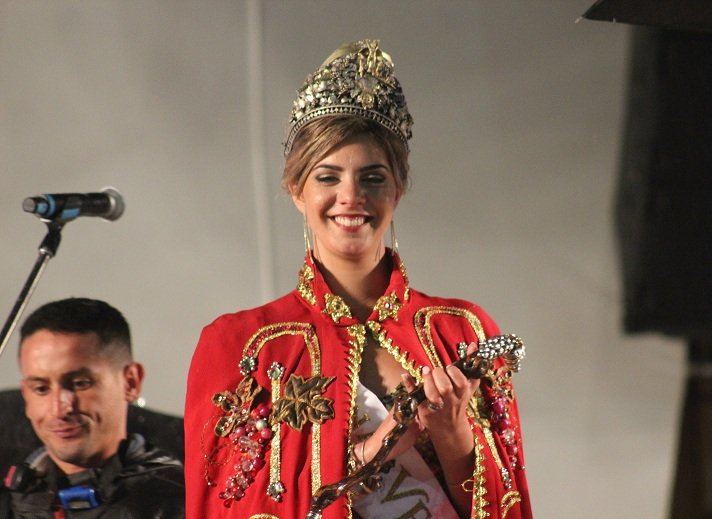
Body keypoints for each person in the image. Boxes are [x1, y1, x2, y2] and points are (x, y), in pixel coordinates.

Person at [185, 39, 532, 519]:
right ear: (296, 190)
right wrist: (377, 448)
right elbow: (228, 507)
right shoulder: (244, 345)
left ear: (398, 189)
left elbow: (510, 508)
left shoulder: (462, 331)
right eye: (327, 177)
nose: (351, 197)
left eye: (372, 178)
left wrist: (453, 437)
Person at [0, 297, 185, 518]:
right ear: (26, 396)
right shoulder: (11, 502)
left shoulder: (180, 503)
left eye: (80, 384)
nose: (59, 409)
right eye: (41, 388)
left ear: (130, 382)